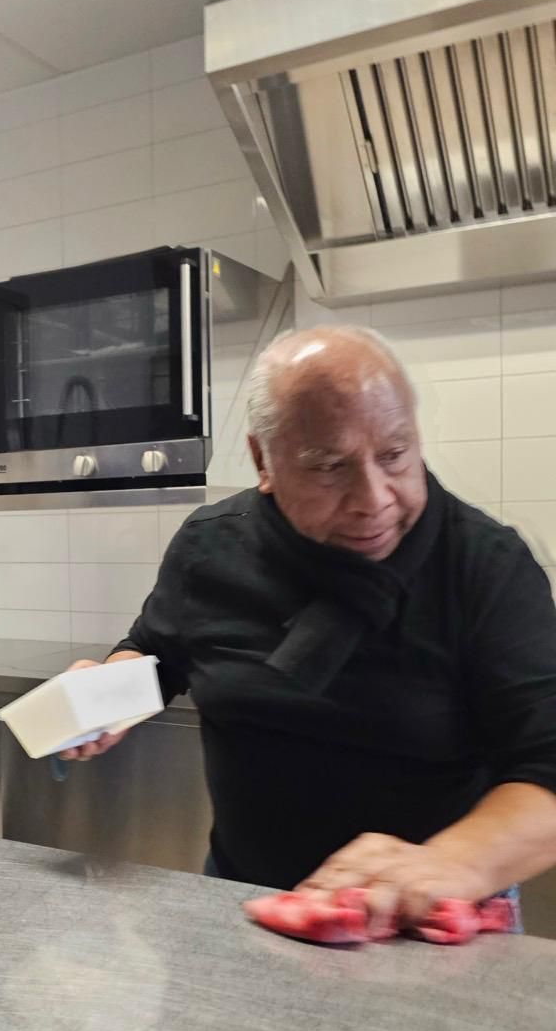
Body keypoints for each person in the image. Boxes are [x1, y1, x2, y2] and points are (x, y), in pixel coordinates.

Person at [65, 325, 556, 931]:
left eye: (396, 454)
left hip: (433, 921)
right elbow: (160, 654)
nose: (373, 498)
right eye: (329, 466)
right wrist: (105, 694)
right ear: (262, 461)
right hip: (246, 901)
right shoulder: (212, 547)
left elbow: (547, 766)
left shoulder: (486, 567)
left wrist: (447, 864)